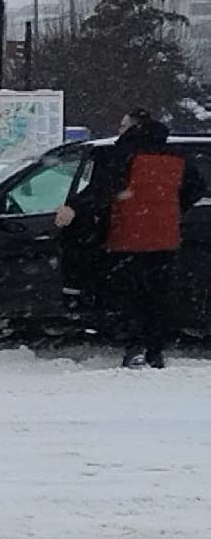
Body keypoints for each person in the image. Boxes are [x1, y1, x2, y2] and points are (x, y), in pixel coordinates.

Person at [58, 108, 207, 369]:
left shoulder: (122, 155)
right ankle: (155, 351)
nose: (119, 131)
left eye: (123, 125)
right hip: (165, 237)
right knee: (158, 296)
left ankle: (135, 347)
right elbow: (197, 188)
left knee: (131, 296)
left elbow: (101, 189)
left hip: (129, 235)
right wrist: (172, 209)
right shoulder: (176, 156)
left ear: (136, 128)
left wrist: (73, 207)